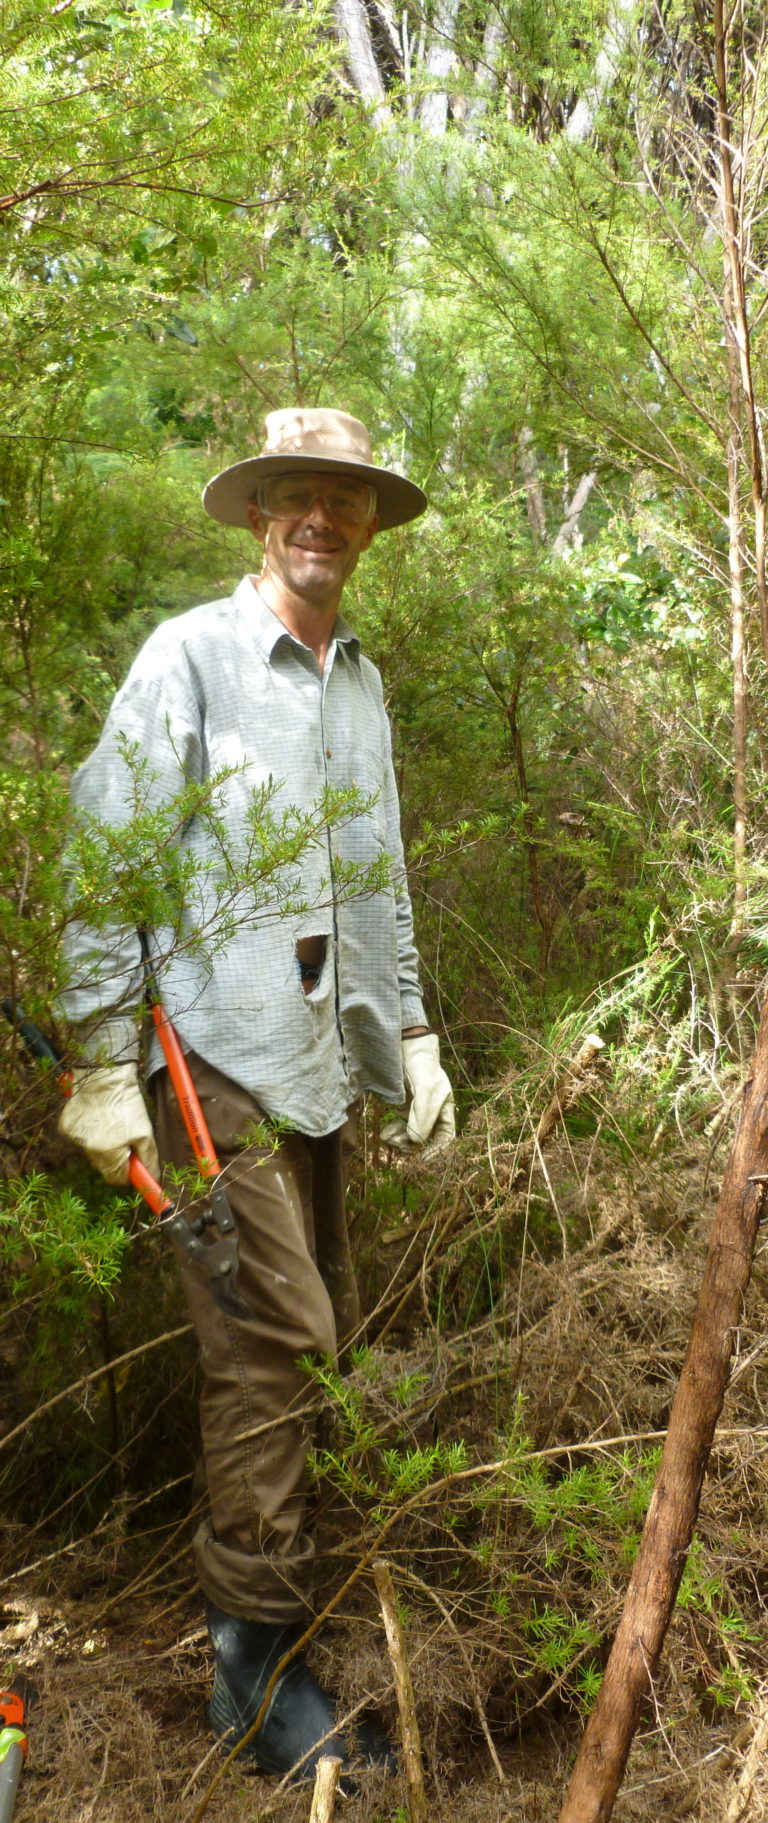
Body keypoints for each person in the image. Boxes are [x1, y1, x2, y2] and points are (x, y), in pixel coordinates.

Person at [57, 408, 455, 1785]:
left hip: (327, 1068)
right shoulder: (194, 658)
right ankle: (254, 1676)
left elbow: (383, 872)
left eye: (342, 502)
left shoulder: (360, 679)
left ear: (365, 527)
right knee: (273, 1347)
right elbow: (106, 855)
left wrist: (412, 1032)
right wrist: (105, 1064)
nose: (319, 520)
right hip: (211, 1059)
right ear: (255, 515)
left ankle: (290, 1624)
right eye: (296, 496)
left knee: (318, 1336)